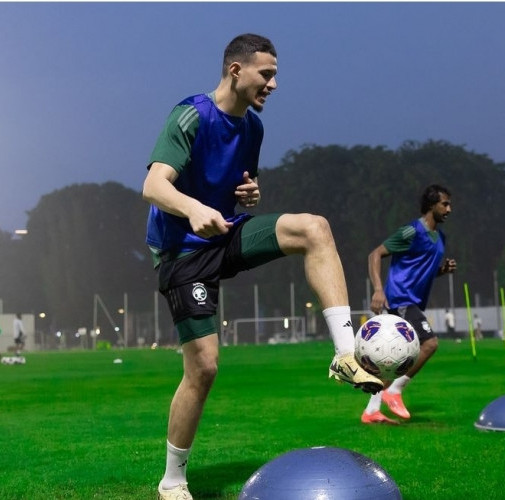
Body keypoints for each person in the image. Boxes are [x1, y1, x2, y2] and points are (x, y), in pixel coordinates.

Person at [143, 33, 383, 500]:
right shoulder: (191, 114)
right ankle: (172, 479)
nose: (273, 84)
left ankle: (346, 353)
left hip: (226, 233)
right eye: (266, 74)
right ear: (236, 70)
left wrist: (249, 195)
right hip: (183, 251)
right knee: (205, 368)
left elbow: (242, 185)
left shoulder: (253, 127)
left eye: (275, 75)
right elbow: (154, 185)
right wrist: (192, 209)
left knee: (314, 228)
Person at [361, 184, 456, 424]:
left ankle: (372, 410)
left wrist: (441, 271)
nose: (449, 209)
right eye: (444, 204)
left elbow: (422, 272)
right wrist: (378, 289)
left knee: (397, 358)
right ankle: (395, 391)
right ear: (431, 205)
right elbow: (375, 254)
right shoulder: (411, 232)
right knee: (430, 343)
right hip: (400, 299)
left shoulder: (440, 238)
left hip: (412, 302)